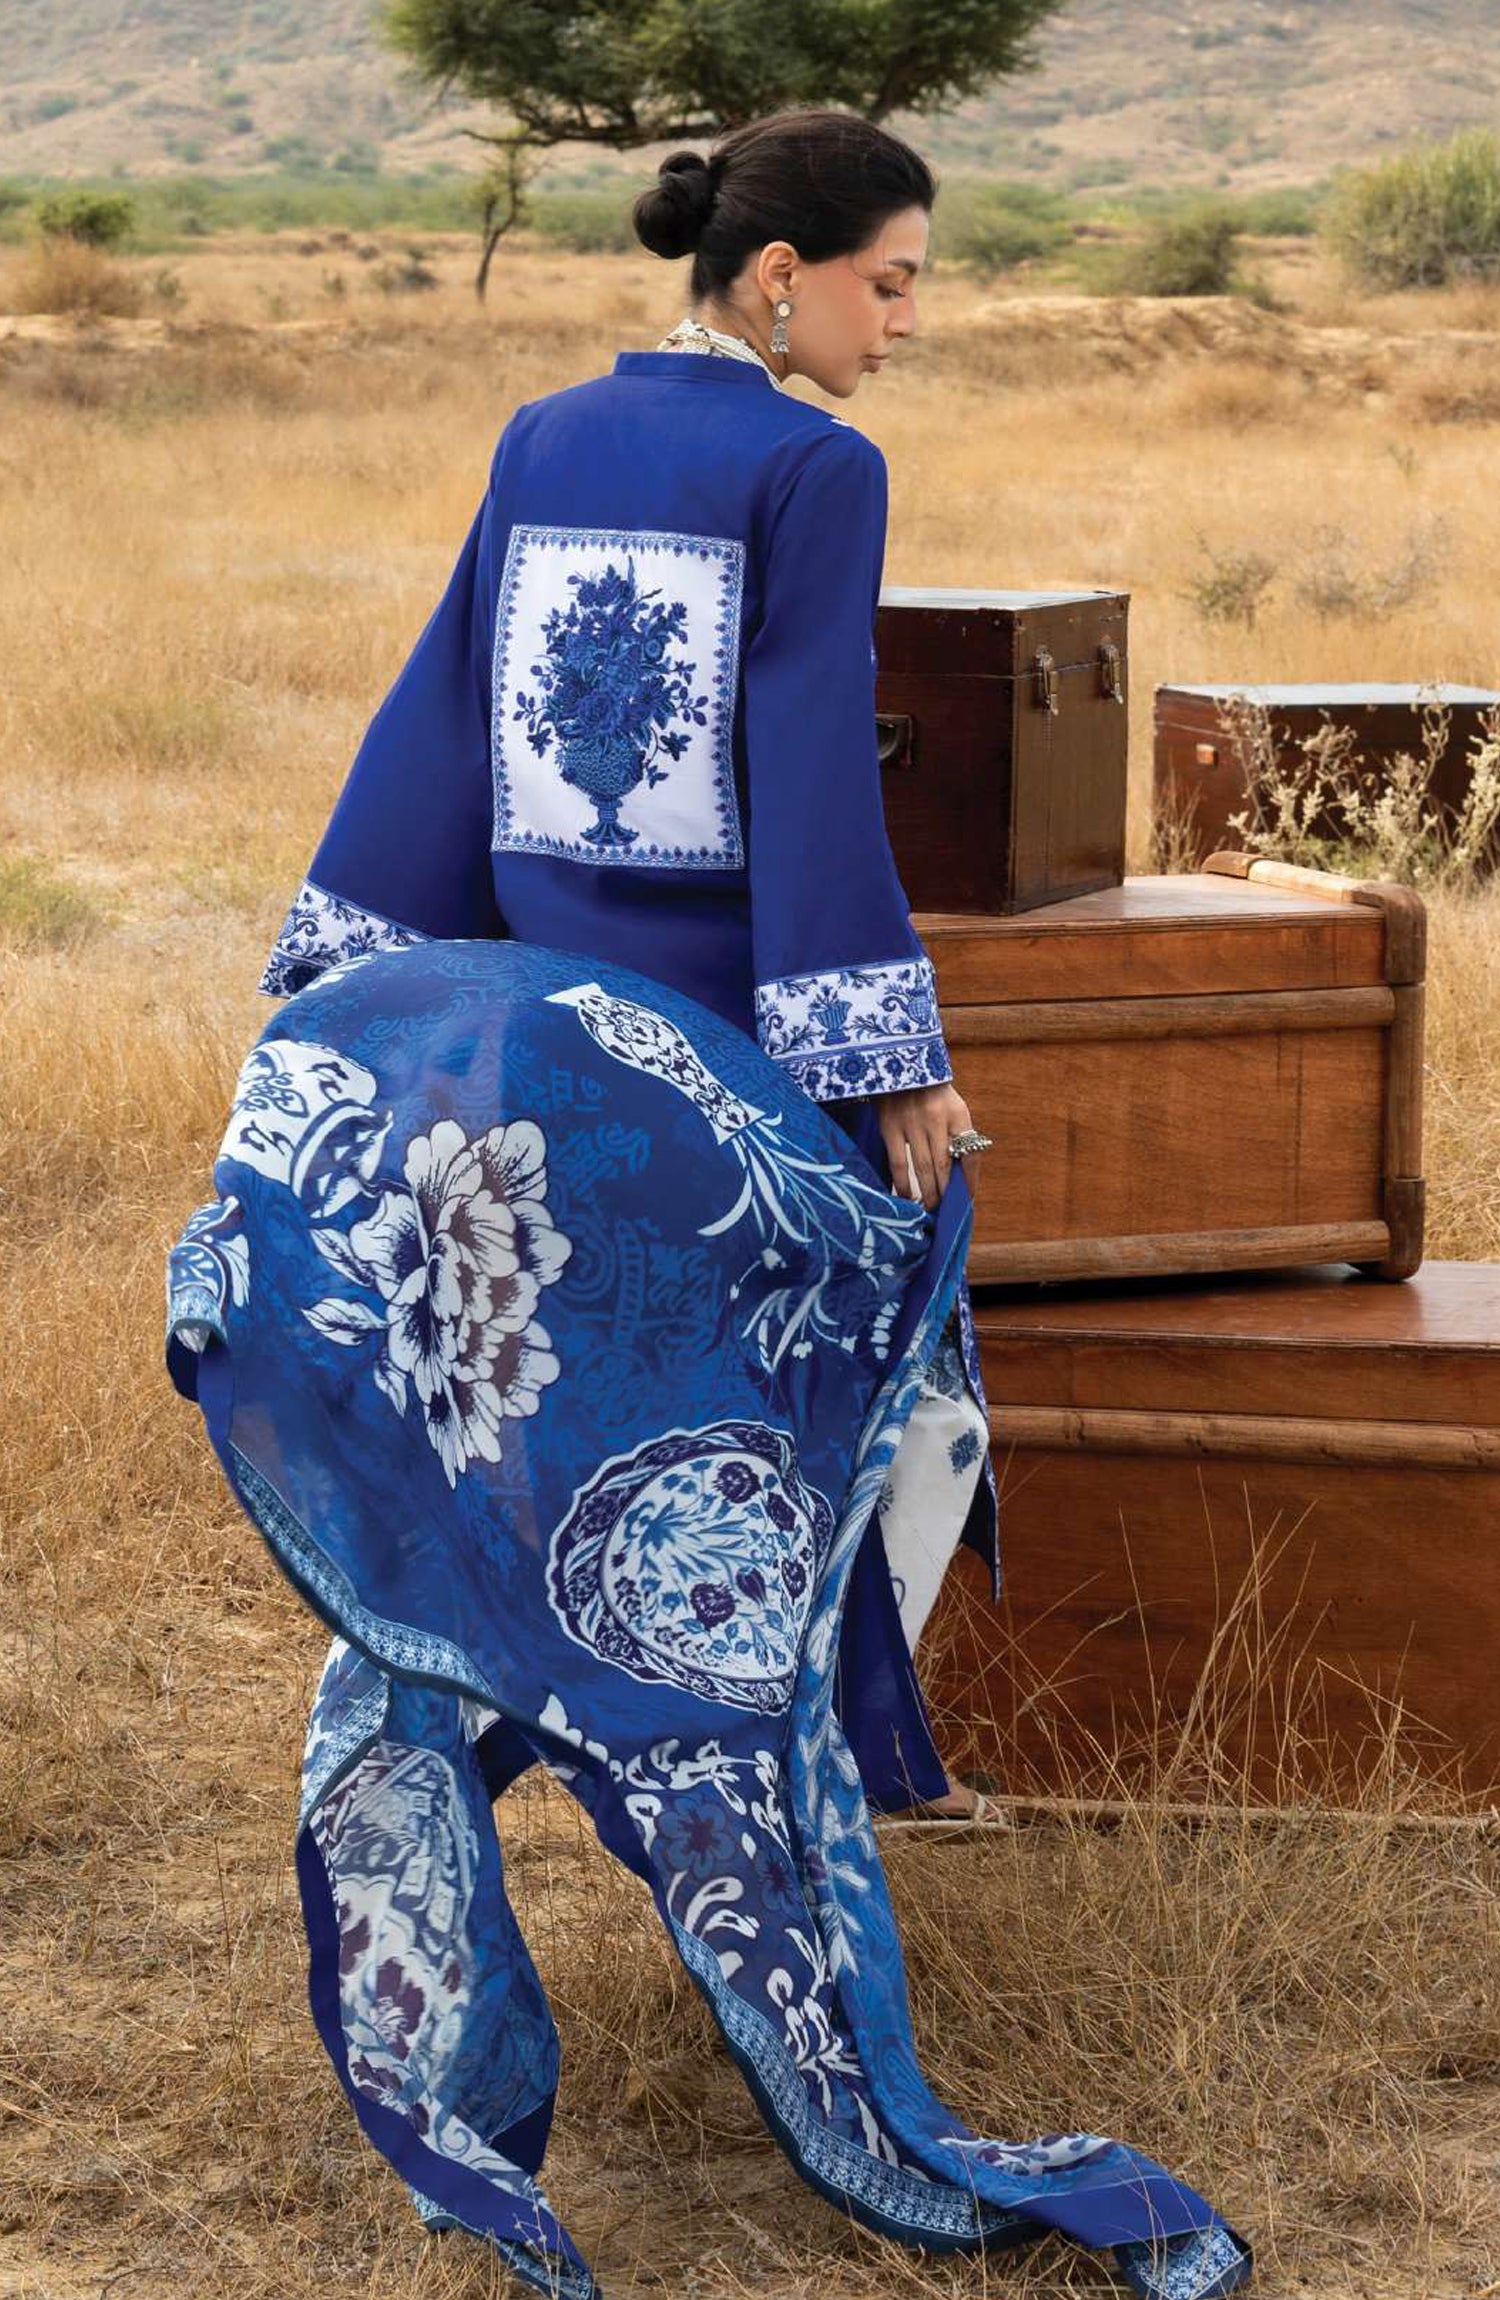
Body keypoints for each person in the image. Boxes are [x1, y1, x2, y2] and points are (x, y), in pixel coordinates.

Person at [166, 107, 1251, 2300]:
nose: (906, 321)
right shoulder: (814, 470)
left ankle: (458, 1982)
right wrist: (886, 1056)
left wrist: (353, 979)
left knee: (511, 1500)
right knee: (850, 1420)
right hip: (702, 1086)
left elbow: (444, 727)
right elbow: (806, 761)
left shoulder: (544, 433)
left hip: (524, 1078)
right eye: (891, 281)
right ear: (779, 278)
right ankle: (789, 1891)